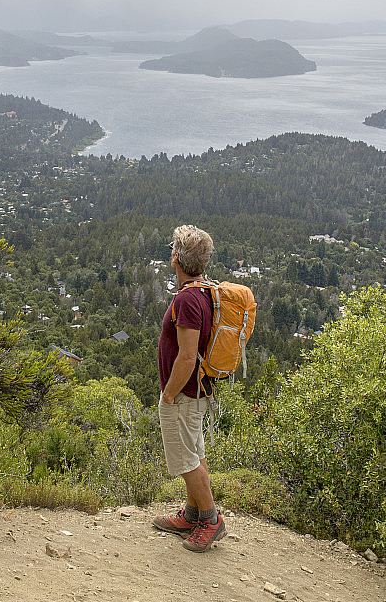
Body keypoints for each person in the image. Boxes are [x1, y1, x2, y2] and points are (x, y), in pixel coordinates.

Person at [152, 224, 226, 552]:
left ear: (175, 258)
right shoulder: (203, 291)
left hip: (184, 394)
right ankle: (193, 513)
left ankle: (211, 521)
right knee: (195, 454)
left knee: (186, 461)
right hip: (197, 392)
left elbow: (186, 356)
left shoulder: (186, 299)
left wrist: (169, 394)